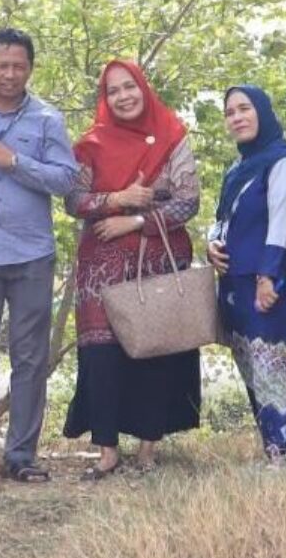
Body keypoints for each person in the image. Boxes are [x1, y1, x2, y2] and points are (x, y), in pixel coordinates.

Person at [62, 60, 202, 479]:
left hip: (155, 258)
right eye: (113, 91)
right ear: (104, 98)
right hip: (101, 267)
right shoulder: (91, 144)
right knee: (102, 355)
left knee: (155, 349)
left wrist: (137, 219)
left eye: (130, 87)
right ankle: (107, 451)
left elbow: (189, 200)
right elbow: (73, 201)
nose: (123, 96)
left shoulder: (172, 136)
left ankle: (148, 450)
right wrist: (118, 198)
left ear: (143, 88)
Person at [0, 29, 78, 489]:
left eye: (19, 66)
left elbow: (67, 180)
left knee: (29, 357)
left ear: (30, 68)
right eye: (2, 65)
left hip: (32, 254)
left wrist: (14, 162)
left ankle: (22, 455)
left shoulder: (47, 119)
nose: (10, 74)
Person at [208, 85, 286, 461]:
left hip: (270, 283)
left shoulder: (283, 162)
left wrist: (267, 279)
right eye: (230, 112)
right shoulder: (237, 169)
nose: (237, 117)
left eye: (245, 109)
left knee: (279, 366)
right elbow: (222, 220)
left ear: (263, 112)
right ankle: (278, 451)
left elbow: (283, 224)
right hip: (235, 285)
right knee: (255, 370)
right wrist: (210, 244)